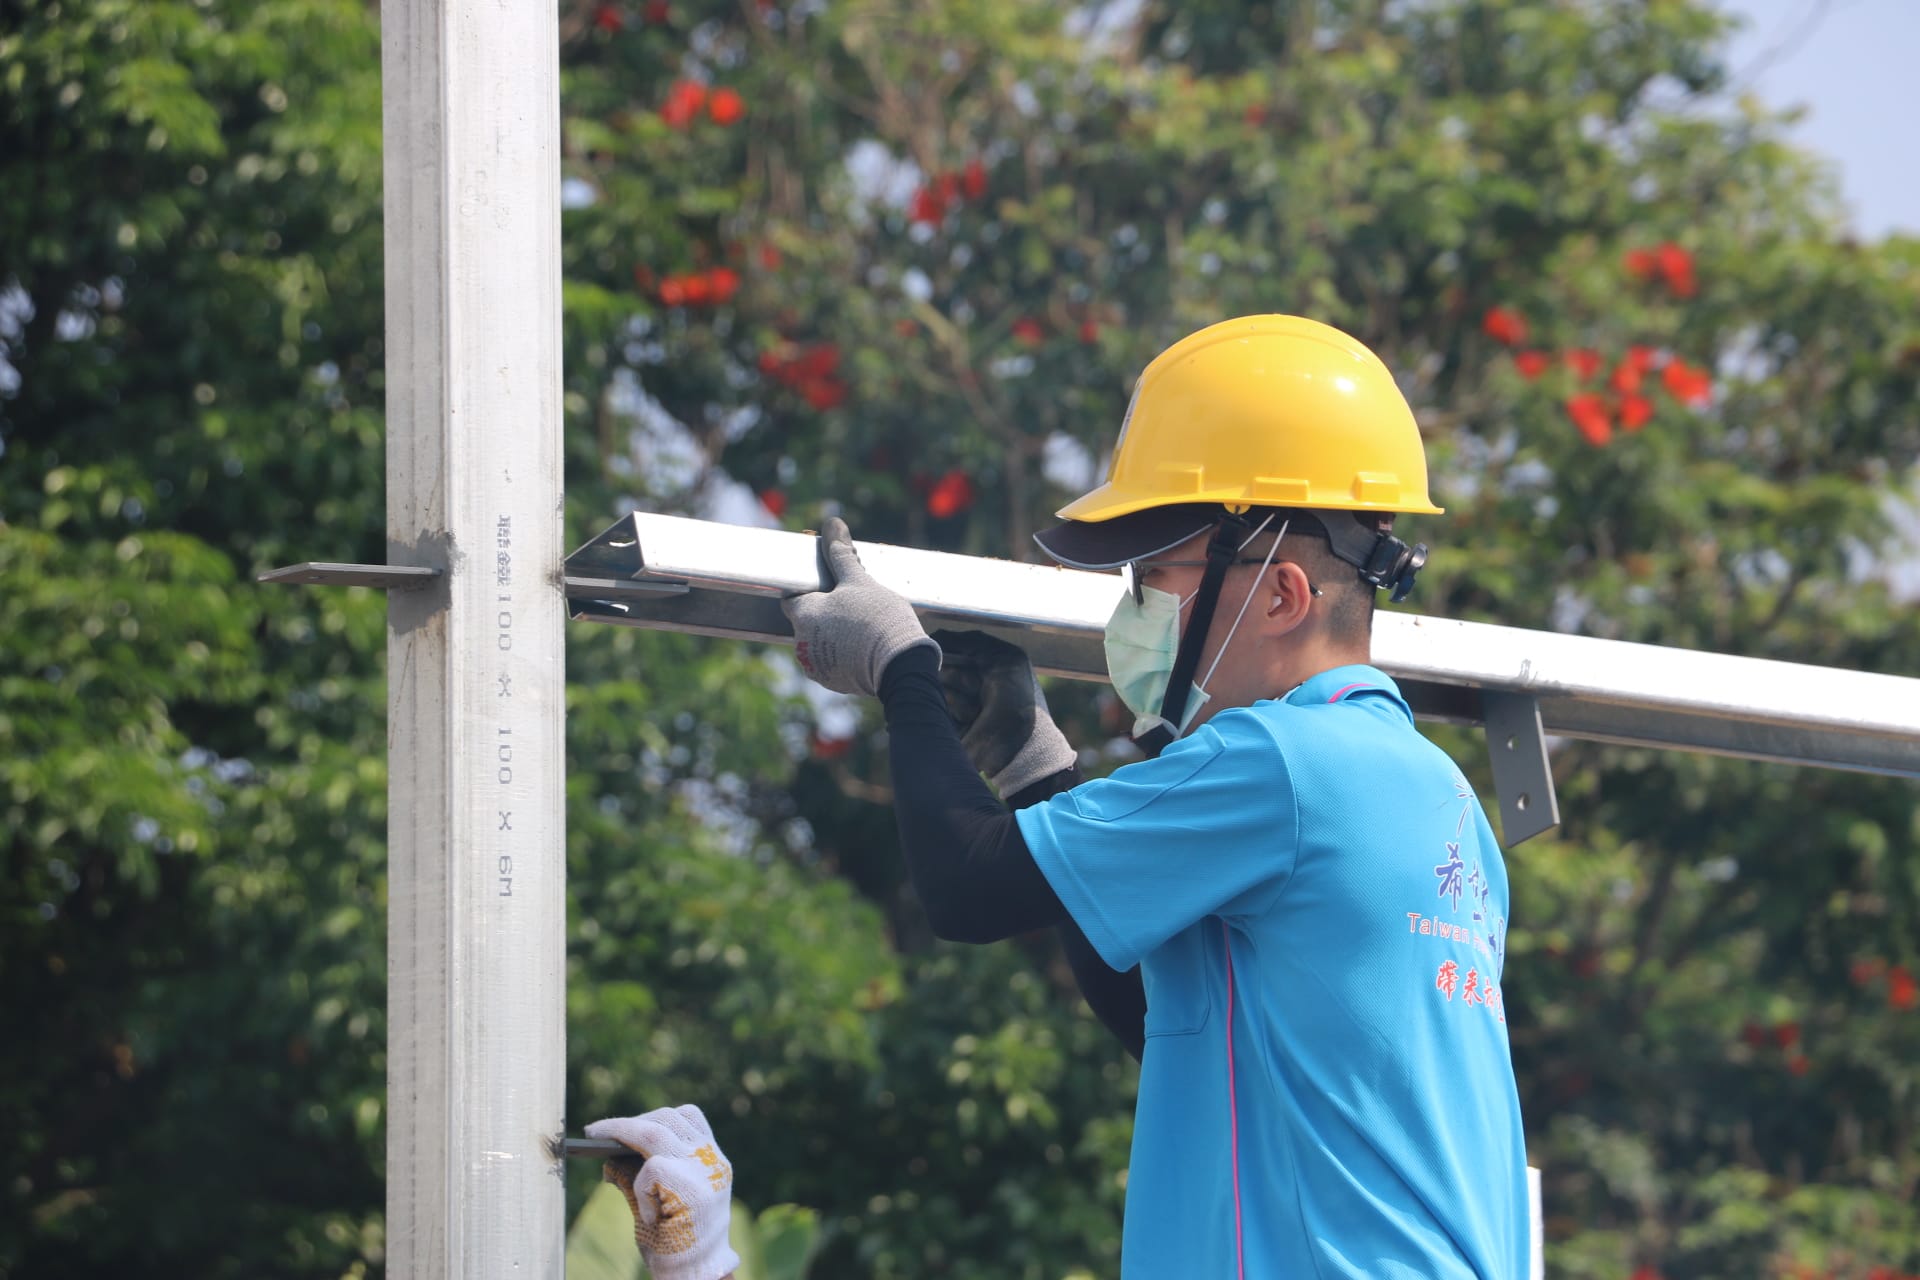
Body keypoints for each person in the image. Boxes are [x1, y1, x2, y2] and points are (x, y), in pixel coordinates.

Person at [601, 314, 1529, 1277]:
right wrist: (1033, 769)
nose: (1134, 611)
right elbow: (1169, 1025)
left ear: (1282, 595)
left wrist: (902, 668)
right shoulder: (1439, 800)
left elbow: (966, 888)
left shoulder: (1282, 761)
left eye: (1155, 578)